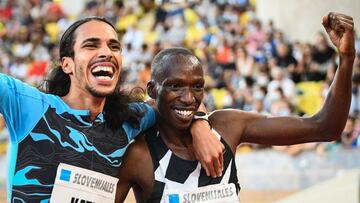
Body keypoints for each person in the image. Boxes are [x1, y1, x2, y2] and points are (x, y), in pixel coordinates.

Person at [115, 12, 355, 202]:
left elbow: (325, 128)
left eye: (197, 87)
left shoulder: (227, 127)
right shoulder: (139, 157)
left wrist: (346, 59)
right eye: (175, 86)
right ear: (153, 90)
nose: (188, 98)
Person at [0, 16, 223, 203]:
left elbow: (180, 100)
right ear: (67, 64)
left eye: (114, 46)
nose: (107, 52)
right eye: (91, 44)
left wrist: (200, 124)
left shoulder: (127, 120)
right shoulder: (29, 105)